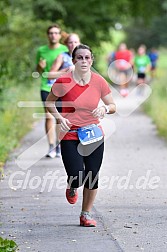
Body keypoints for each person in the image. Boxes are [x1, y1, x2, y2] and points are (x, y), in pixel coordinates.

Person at [46, 44, 116, 227]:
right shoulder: (63, 82)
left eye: (87, 57)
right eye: (80, 58)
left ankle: (85, 214)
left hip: (93, 134)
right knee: (77, 175)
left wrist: (104, 108)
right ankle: (72, 185)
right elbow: (49, 103)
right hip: (70, 134)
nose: (84, 61)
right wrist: (60, 119)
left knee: (93, 174)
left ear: (91, 60)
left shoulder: (99, 81)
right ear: (74, 60)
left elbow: (113, 106)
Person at [36, 24, 68, 158]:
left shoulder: (65, 49)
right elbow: (38, 71)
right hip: (46, 86)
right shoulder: (41, 50)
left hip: (61, 87)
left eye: (56, 33)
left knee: (59, 118)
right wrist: (39, 66)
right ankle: (51, 146)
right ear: (47, 35)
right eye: (51, 33)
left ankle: (58, 145)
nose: (53, 35)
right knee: (48, 116)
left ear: (60, 35)